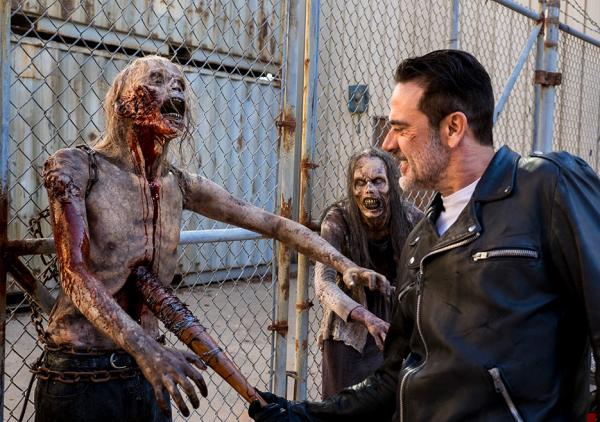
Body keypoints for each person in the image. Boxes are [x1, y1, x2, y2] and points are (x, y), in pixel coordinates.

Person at [248, 49, 600, 421]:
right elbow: (394, 378)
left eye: (401, 129)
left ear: (453, 128)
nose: (388, 144)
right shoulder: (420, 241)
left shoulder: (545, 186)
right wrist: (306, 414)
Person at [38, 55, 390, 422]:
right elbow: (74, 274)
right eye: (156, 80)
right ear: (121, 101)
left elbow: (275, 225)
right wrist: (145, 349)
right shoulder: (78, 166)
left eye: (179, 85)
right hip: (82, 372)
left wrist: (344, 264)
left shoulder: (178, 183)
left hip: (151, 369)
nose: (174, 90)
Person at [315, 148, 421, 399]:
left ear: (392, 185)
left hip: (398, 321)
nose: (369, 190)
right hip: (349, 325)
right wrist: (365, 317)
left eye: (377, 181)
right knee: (343, 405)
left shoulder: (411, 218)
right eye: (360, 183)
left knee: (394, 403)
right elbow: (323, 283)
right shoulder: (338, 219)